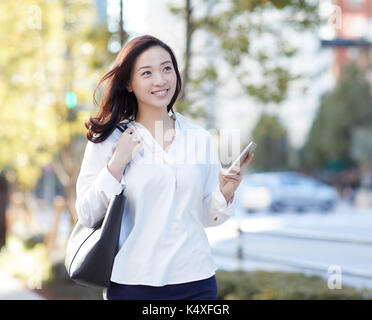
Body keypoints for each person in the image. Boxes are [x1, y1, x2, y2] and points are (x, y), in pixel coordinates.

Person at [75, 35, 253, 300]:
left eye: (167, 68)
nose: (160, 80)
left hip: (196, 280)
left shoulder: (199, 138)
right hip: (132, 284)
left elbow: (206, 217)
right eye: (147, 72)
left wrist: (224, 193)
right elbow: (88, 214)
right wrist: (117, 164)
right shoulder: (110, 140)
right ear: (128, 83)